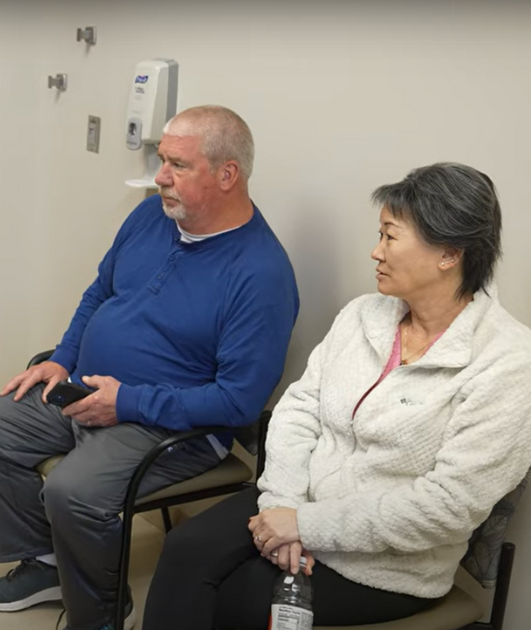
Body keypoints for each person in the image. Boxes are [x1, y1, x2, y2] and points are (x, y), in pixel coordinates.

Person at [142, 162, 531, 629]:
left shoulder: (508, 362)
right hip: (294, 501)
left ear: (448, 254)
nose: (375, 251)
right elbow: (298, 410)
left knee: (235, 599)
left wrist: (307, 526)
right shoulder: (363, 315)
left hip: (387, 563)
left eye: (390, 236)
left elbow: (447, 507)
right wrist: (281, 507)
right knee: (186, 552)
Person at [0, 105, 300, 630]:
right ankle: (49, 564)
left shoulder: (260, 274)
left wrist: (128, 402)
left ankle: (99, 613)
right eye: (162, 160)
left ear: (227, 174)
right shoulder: (152, 216)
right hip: (85, 389)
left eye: (178, 166)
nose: (160, 176)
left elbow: (239, 402)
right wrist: (61, 359)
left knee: (72, 491)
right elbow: (101, 290)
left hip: (171, 426)